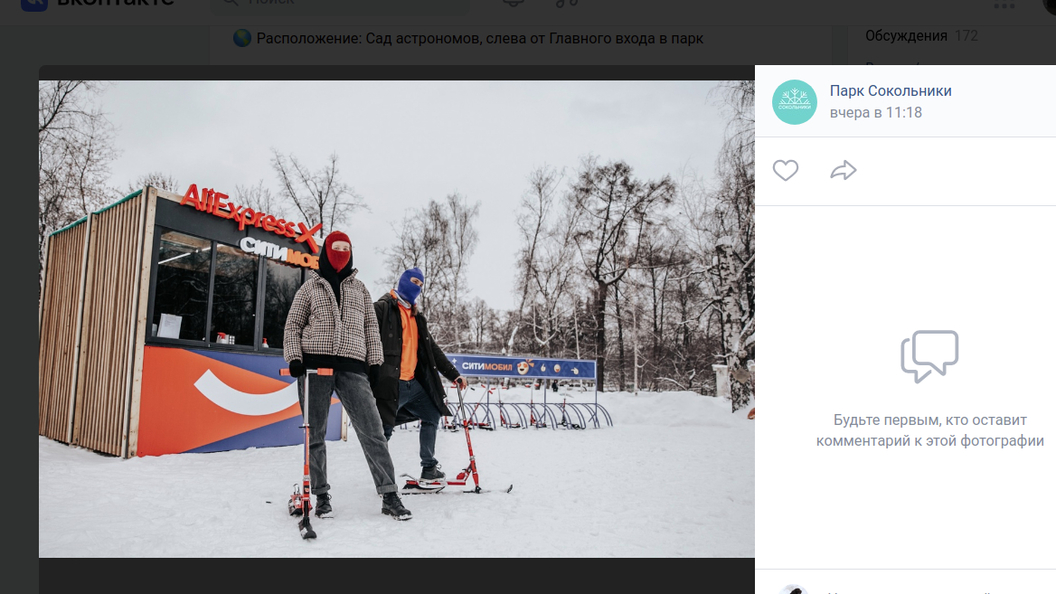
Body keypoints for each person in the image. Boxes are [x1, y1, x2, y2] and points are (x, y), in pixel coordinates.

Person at [283, 230, 412, 521]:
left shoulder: (360, 289)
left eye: (346, 248)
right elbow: (292, 325)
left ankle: (389, 494)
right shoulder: (309, 288)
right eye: (335, 247)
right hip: (315, 367)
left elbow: (370, 328)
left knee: (373, 431)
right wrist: (294, 357)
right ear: (325, 251)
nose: (341, 252)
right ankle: (321, 495)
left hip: (353, 367)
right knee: (314, 433)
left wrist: (375, 362)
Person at [370, 267, 467, 484]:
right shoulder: (382, 308)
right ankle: (383, 480)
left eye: (421, 285)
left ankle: (429, 468)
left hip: (411, 385)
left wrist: (454, 375)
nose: (417, 287)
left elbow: (432, 350)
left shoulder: (417, 317)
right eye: (414, 281)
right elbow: (365, 342)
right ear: (403, 281)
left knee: (432, 413)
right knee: (382, 433)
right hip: (389, 385)